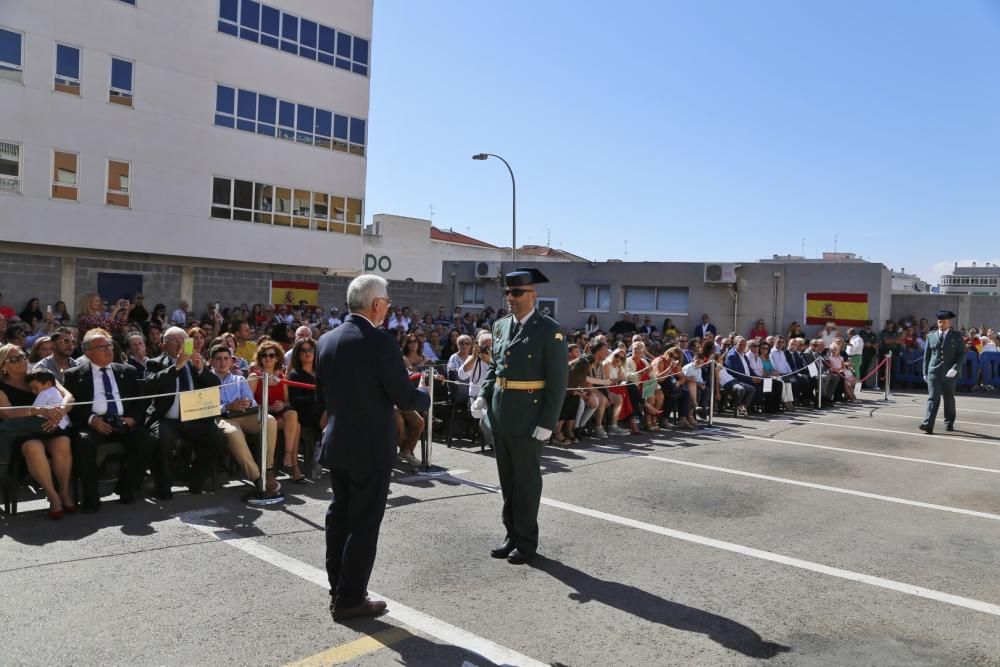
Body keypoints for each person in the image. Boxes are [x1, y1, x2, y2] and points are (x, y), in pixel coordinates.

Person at [315, 275, 430, 621]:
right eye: (388, 301)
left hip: (338, 442)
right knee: (363, 524)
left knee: (340, 518)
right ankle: (351, 598)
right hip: (370, 448)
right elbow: (403, 395)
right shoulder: (380, 342)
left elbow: (324, 397)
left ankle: (340, 589)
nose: (389, 306)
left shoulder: (326, 340)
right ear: (376, 304)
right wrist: (423, 393)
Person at [473, 268, 568, 565]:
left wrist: (547, 422)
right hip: (502, 412)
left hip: (529, 414)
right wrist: (483, 395)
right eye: (508, 293)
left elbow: (557, 382)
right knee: (508, 478)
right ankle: (511, 534)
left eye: (517, 293)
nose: (510, 298)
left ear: (533, 295)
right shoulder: (500, 326)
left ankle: (526, 541)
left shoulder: (549, 329)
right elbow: (497, 368)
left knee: (526, 480)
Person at [62, 329, 157, 510]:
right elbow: (73, 408)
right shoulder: (74, 375)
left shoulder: (127, 371)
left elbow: (139, 403)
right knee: (82, 442)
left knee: (148, 440)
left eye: (109, 346)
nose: (108, 350)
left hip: (123, 421)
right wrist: (91, 420)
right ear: (88, 352)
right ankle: (91, 496)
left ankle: (126, 487)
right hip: (94, 424)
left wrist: (131, 419)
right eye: (102, 347)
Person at [144, 326, 227, 498]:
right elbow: (150, 385)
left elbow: (215, 386)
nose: (180, 344)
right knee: (162, 440)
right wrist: (176, 367)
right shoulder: (155, 363)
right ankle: (164, 486)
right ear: (165, 345)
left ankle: (194, 477)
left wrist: (201, 370)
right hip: (168, 418)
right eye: (175, 341)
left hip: (193, 417)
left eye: (183, 341)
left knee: (218, 439)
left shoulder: (195, 362)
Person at [0, 343, 75, 518]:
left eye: (23, 356)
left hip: (51, 426)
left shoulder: (39, 373)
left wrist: (60, 411)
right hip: (22, 432)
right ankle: (52, 495)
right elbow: (6, 414)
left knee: (63, 442)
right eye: (14, 359)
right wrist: (37, 410)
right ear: (4, 366)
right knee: (33, 446)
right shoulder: (1, 387)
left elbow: (68, 396)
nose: (22, 361)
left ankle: (64, 491)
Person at [209, 344, 280, 496]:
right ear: (212, 361)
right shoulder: (206, 379)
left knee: (270, 420)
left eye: (226, 359)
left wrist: (247, 402)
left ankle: (268, 469)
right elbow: (205, 407)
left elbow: (252, 401)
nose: (223, 362)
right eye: (219, 359)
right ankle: (257, 478)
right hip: (222, 417)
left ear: (231, 361)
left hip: (244, 415)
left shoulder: (239, 378)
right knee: (233, 432)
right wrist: (227, 406)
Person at [248, 340, 303, 482]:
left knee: (293, 415)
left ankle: (288, 456)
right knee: (296, 426)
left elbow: (287, 401)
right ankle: (293, 466)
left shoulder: (281, 378)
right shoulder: (255, 377)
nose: (268, 358)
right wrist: (269, 407)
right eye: (264, 355)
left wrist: (282, 405)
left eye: (272, 355)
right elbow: (248, 404)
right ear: (260, 358)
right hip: (260, 417)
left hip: (278, 416)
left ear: (277, 358)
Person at [920, 310, 965, 434]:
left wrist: (955, 368)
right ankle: (928, 424)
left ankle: (949, 422)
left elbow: (961, 355)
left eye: (944, 322)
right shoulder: (931, 335)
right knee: (932, 398)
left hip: (950, 373)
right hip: (934, 372)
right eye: (940, 322)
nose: (941, 324)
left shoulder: (956, 336)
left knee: (949, 398)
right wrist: (925, 372)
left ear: (949, 323)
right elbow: (927, 356)